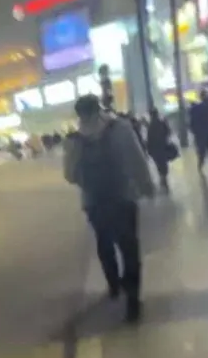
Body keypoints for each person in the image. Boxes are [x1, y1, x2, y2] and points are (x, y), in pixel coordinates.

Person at [63, 94, 156, 323]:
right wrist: (146, 186)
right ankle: (133, 301)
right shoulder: (120, 128)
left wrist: (87, 180)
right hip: (124, 197)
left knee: (104, 244)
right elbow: (137, 159)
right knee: (129, 248)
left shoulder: (74, 139)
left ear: (79, 114)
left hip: (94, 202)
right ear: (100, 108)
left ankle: (113, 285)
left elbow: (70, 175)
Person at [145, 107, 176, 193]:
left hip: (155, 149)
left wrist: (148, 150)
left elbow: (149, 139)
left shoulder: (150, 126)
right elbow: (168, 132)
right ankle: (164, 178)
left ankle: (162, 178)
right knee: (163, 163)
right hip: (163, 146)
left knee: (159, 164)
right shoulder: (162, 123)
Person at [189, 91, 208, 172]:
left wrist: (194, 131)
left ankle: (200, 165)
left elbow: (192, 122)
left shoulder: (195, 108)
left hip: (199, 133)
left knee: (201, 151)